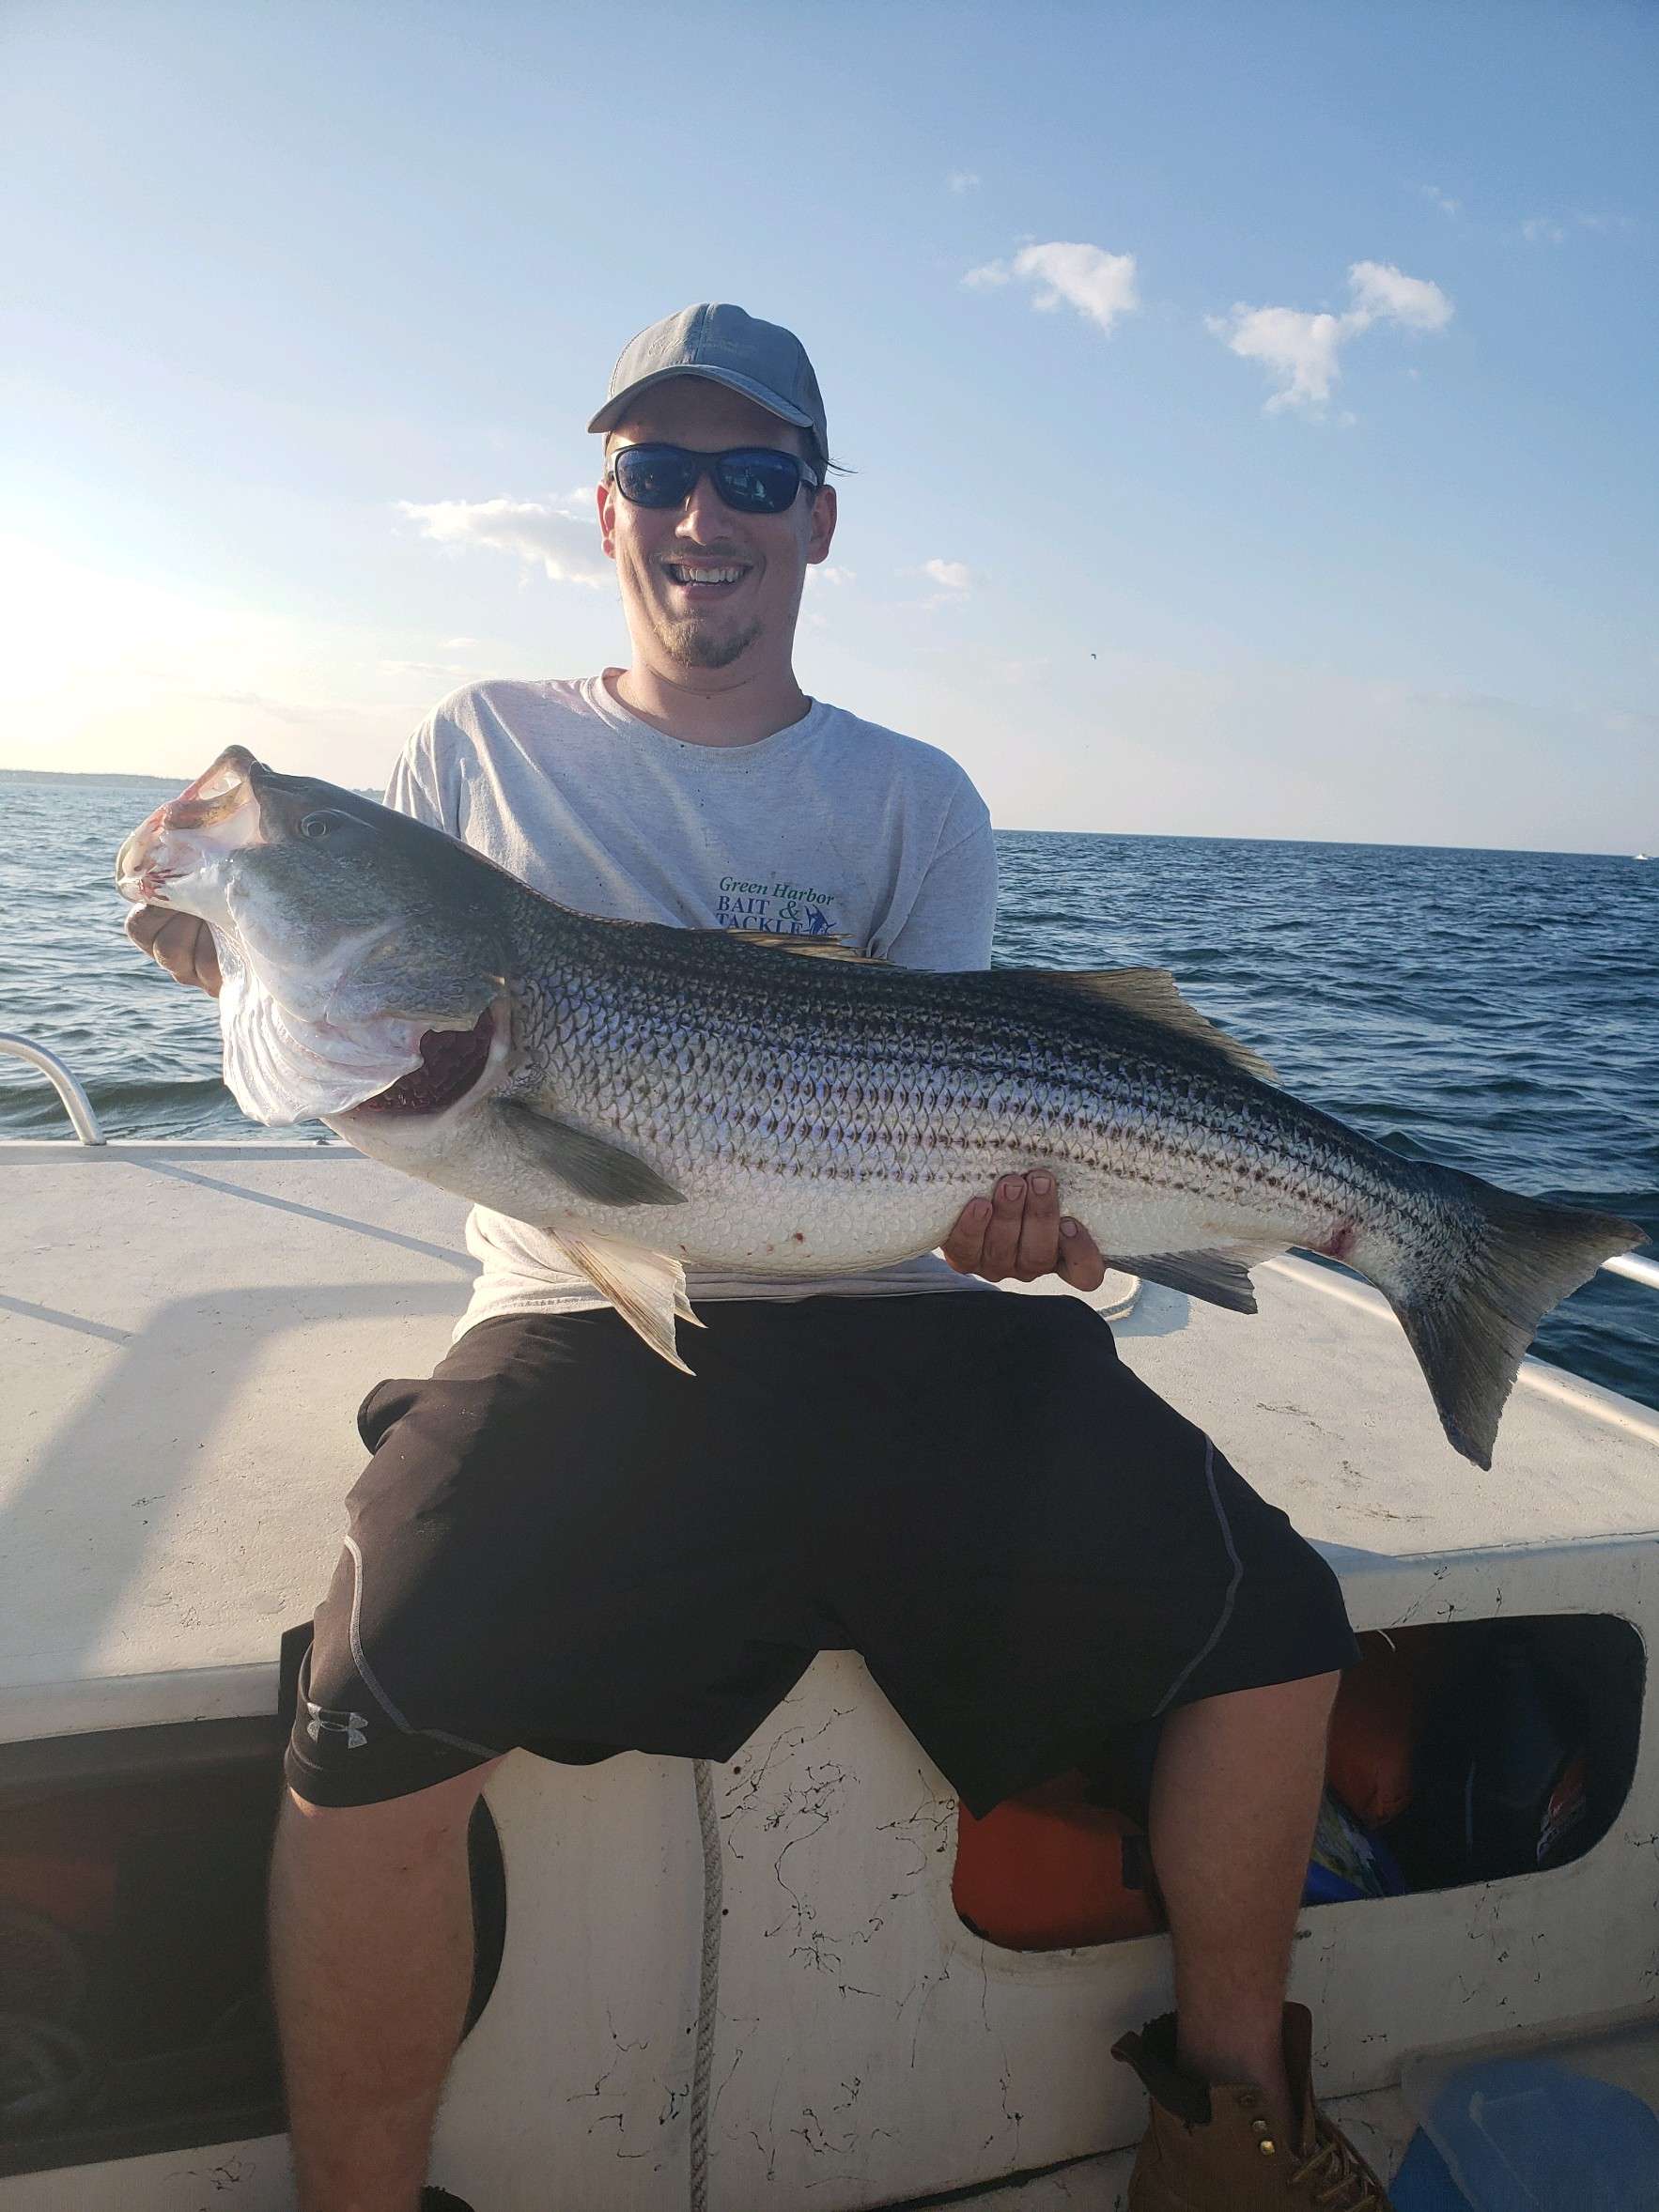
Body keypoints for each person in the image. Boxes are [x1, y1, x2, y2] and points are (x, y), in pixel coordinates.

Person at [127, 303, 1389, 2212]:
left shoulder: (912, 797)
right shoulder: (474, 747)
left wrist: (1030, 1222)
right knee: (362, 1708)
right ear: (604, 507)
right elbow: (348, 1005)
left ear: (816, 519)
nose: (700, 513)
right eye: (656, 471)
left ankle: (1231, 2136)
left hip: (909, 1314)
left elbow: (959, 1095)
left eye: (753, 475)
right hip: (580, 1300)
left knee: (1277, 1625)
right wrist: (235, 925)